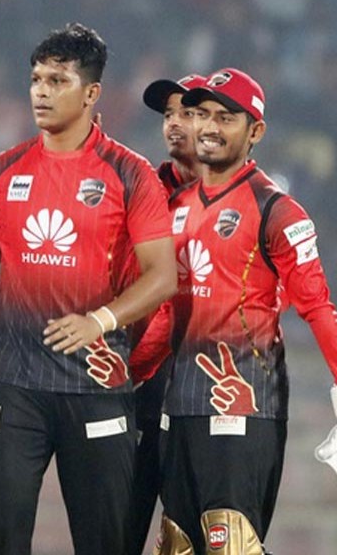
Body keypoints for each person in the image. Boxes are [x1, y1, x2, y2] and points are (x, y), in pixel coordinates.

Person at [0, 23, 177, 555]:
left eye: (58, 81)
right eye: (36, 79)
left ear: (92, 93)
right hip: (15, 388)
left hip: (98, 386)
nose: (41, 91)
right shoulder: (4, 170)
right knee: (1, 542)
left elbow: (163, 276)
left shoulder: (131, 174)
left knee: (105, 544)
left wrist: (99, 321)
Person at [154, 68, 337, 554]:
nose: (209, 127)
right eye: (202, 115)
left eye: (226, 118)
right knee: (177, 547)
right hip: (179, 408)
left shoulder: (278, 211)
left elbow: (317, 307)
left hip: (244, 405)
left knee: (232, 546)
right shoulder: (174, 206)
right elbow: (163, 315)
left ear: (255, 131)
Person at [113, 72, 207, 555]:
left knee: (192, 528)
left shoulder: (243, 198)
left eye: (187, 113)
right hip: (140, 378)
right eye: (168, 114)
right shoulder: (140, 189)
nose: (173, 123)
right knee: (120, 524)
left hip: (205, 379)